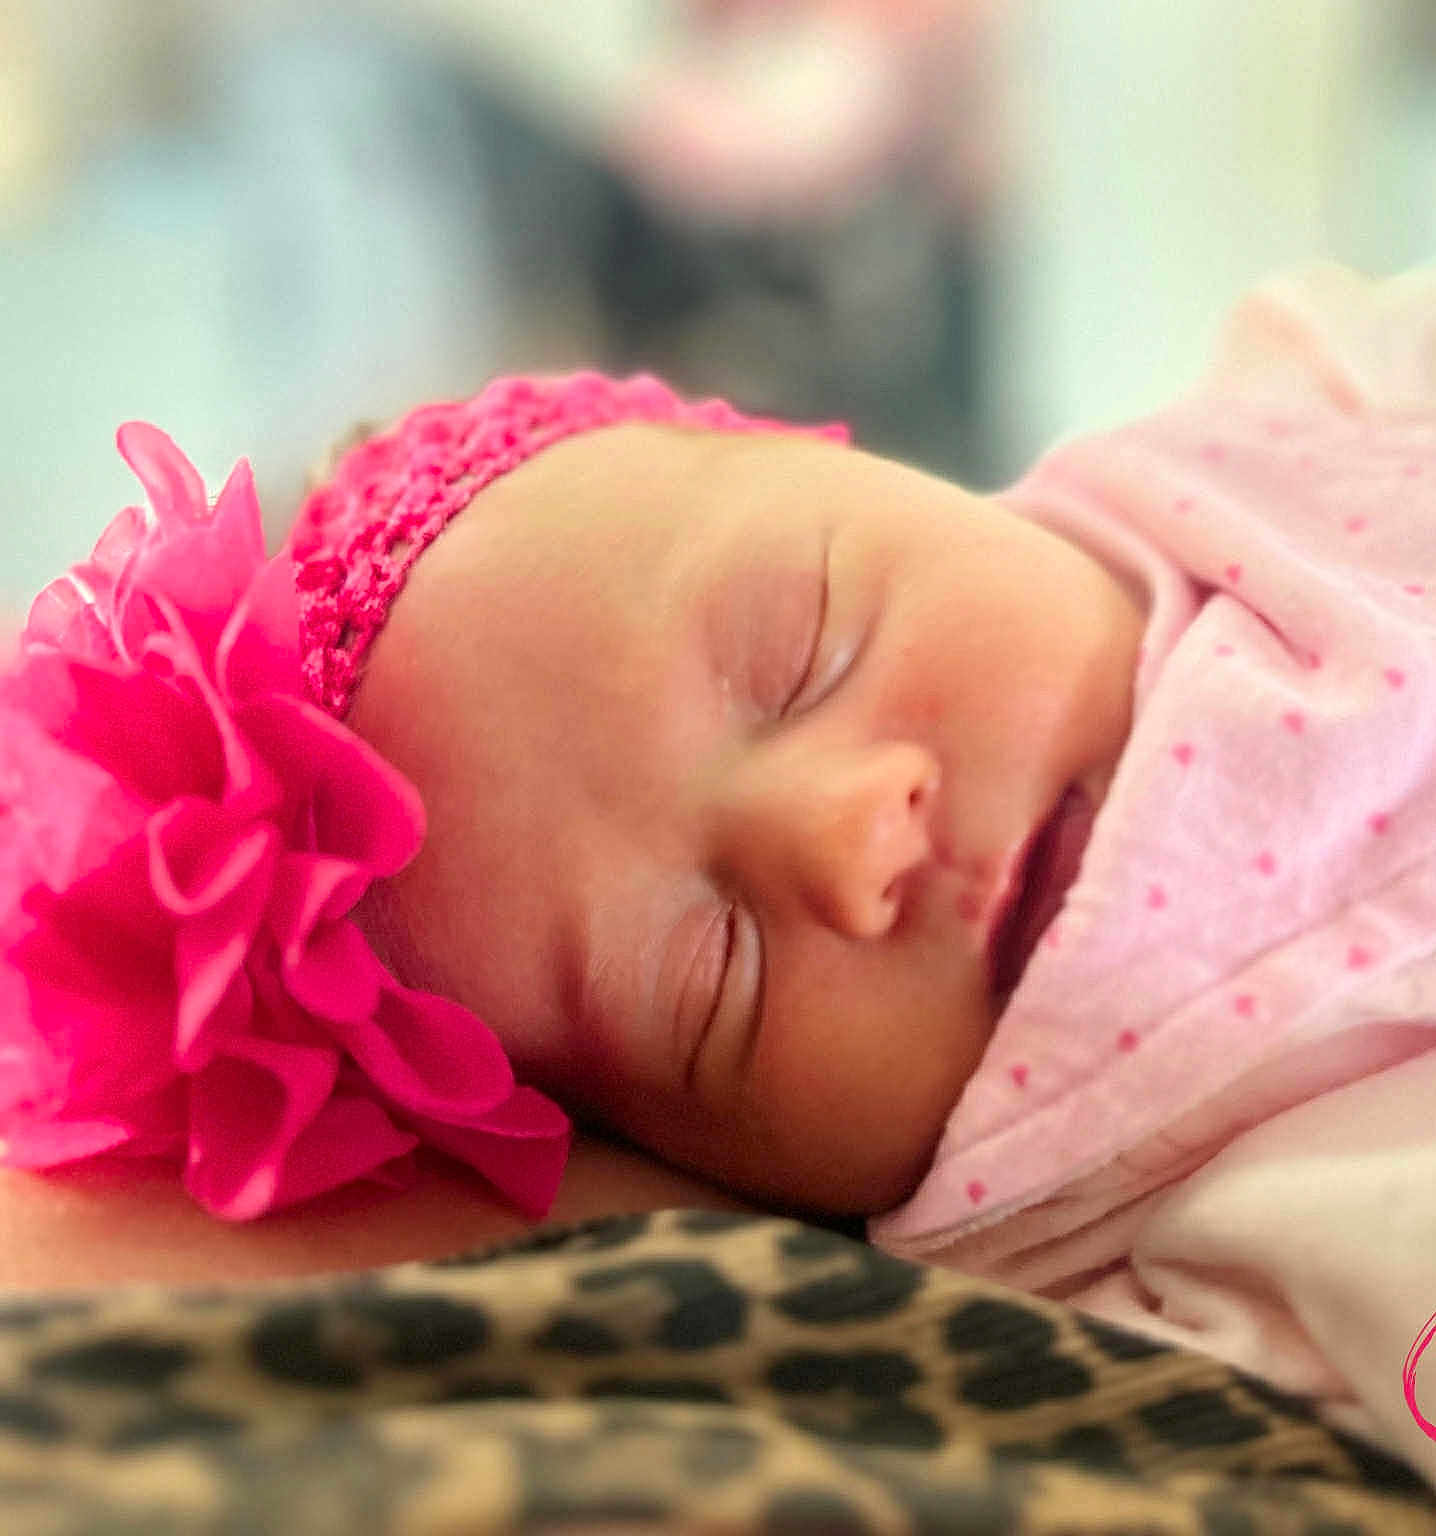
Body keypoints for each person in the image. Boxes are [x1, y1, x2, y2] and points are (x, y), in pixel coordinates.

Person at [3, 262, 1436, 1479]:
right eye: (710, 980)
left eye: (807, 644)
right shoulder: (1127, 1288)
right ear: (708, 1175)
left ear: (861, 464)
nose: (847, 835)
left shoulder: (1324, 406)